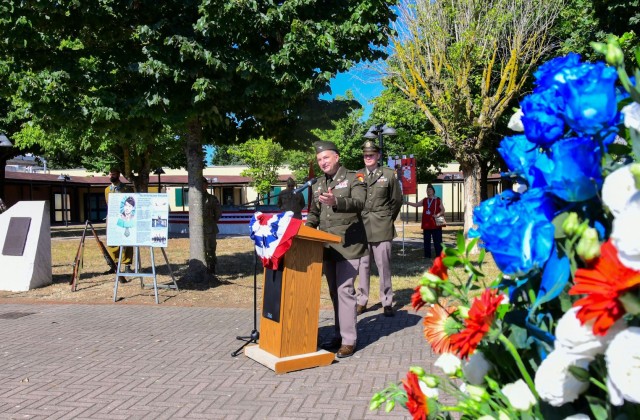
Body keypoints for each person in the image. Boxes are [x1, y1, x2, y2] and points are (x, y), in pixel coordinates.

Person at [305, 140, 367, 359]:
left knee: (345, 291)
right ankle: (339, 333)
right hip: (327, 247)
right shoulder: (318, 184)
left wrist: (336, 201)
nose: (322, 162)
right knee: (334, 292)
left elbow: (361, 203)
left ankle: (349, 340)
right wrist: (305, 229)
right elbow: (314, 213)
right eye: (319, 159)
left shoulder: (354, 178)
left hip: (349, 245)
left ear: (337, 157)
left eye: (326, 158)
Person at [356, 140, 403, 317]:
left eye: (371, 155)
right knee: (363, 266)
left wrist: (387, 217)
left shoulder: (389, 175)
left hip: (382, 226)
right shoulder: (358, 175)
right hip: (362, 227)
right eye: (366, 155)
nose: (368, 157)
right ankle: (362, 300)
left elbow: (397, 200)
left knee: (384, 266)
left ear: (378, 156)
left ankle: (387, 301)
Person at [105, 167, 134, 282]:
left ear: (118, 175)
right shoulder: (107, 190)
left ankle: (127, 266)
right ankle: (115, 265)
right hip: (112, 219)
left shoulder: (126, 188)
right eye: (110, 174)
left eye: (113, 174)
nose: (111, 176)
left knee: (127, 241)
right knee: (112, 242)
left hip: (125, 218)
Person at [407, 184, 446, 259]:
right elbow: (416, 204)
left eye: (430, 190)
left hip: (436, 223)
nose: (428, 191)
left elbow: (443, 210)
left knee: (438, 241)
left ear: (433, 191)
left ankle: (439, 256)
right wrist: (408, 203)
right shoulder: (425, 200)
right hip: (427, 223)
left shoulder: (438, 199)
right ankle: (427, 256)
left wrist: (438, 214)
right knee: (426, 241)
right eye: (427, 190)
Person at [202, 177, 222, 275]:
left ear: (206, 185)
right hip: (198, 230)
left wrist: (212, 221)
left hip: (209, 228)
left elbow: (218, 212)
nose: (201, 186)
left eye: (203, 184)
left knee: (210, 248)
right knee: (201, 249)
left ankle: (211, 268)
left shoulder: (212, 199)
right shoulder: (193, 198)